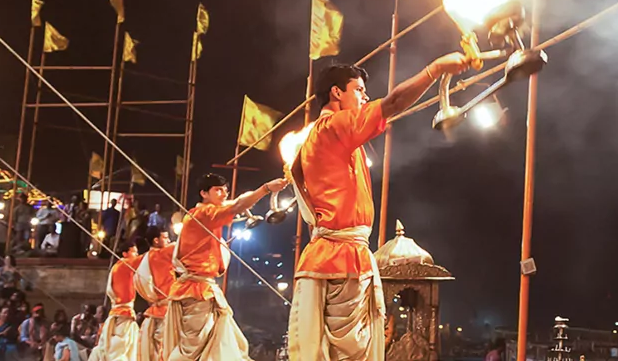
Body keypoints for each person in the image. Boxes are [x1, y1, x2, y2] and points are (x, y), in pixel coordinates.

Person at [285, 54, 474, 361]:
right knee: (349, 353)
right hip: (340, 259)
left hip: (340, 256)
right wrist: (435, 69)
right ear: (336, 93)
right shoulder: (332, 126)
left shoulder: (330, 137)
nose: (365, 97)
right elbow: (394, 102)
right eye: (359, 90)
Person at [163, 174, 288, 361]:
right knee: (194, 348)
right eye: (218, 190)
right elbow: (237, 205)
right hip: (196, 292)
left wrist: (253, 196)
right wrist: (265, 189)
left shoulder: (206, 214)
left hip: (205, 289)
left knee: (233, 345)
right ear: (204, 193)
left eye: (225, 190)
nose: (223, 194)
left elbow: (236, 203)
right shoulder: (202, 214)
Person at [89, 236, 145, 361]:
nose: (136, 254)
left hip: (118, 312)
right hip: (123, 312)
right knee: (122, 346)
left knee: (117, 344)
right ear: (125, 253)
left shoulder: (117, 266)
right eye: (134, 252)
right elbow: (146, 259)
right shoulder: (125, 264)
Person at [135, 229, 175, 361]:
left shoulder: (146, 257)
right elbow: (186, 245)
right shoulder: (162, 253)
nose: (168, 241)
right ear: (156, 240)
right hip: (166, 309)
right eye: (165, 238)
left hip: (157, 307)